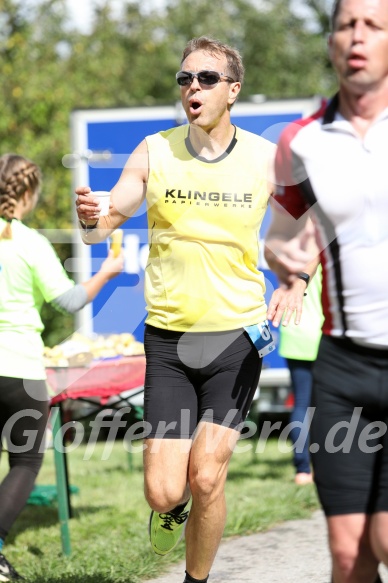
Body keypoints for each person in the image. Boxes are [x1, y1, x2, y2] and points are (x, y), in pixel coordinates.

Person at [75, 36, 275, 583]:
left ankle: (196, 580)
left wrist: (299, 278)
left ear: (233, 90)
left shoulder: (265, 157)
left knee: (208, 476)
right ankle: (173, 512)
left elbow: (303, 226)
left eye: (207, 79)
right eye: (185, 78)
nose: (193, 87)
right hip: (169, 341)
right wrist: (91, 216)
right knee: (166, 491)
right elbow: (102, 227)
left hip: (237, 337)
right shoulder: (154, 151)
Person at [264, 0, 388, 581]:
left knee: (387, 537)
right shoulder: (302, 141)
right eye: (346, 25)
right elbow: (281, 235)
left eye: (373, 25)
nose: (357, 36)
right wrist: (286, 263)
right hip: (342, 371)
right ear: (331, 41)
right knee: (348, 554)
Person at [0, 154, 124, 581]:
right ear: (28, 194)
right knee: (26, 462)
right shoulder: (29, 242)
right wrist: (106, 273)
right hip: (19, 365)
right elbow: (68, 301)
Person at [278, 259, 323, 486]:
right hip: (323, 336)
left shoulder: (291, 255)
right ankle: (326, 465)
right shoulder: (326, 254)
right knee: (328, 406)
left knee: (301, 404)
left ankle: (302, 470)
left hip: (294, 333)